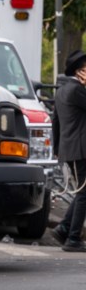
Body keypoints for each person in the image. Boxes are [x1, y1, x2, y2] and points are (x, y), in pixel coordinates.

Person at [51, 49, 86, 251]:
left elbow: (55, 122)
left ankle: (64, 227)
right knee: (83, 194)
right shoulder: (76, 90)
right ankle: (73, 239)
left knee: (82, 191)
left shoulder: (62, 91)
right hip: (80, 149)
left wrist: (57, 149)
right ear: (80, 71)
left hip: (69, 149)